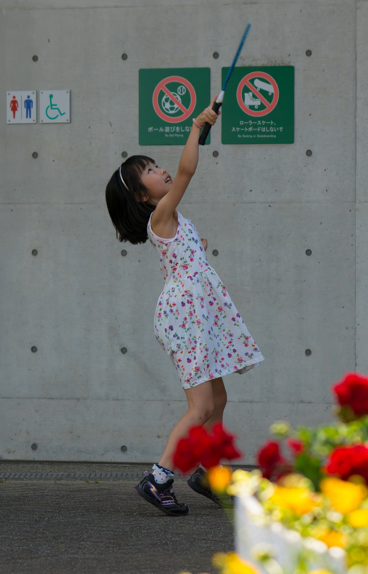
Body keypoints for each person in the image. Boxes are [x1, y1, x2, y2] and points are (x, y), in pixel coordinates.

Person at [103, 105, 265, 516]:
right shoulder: (161, 214)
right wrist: (196, 126)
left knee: (219, 398)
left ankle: (211, 474)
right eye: (153, 171)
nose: (164, 172)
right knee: (202, 407)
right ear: (143, 195)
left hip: (199, 312)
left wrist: (198, 252)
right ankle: (158, 478)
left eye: (158, 165)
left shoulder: (172, 219)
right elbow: (189, 171)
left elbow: (185, 254)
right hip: (186, 316)